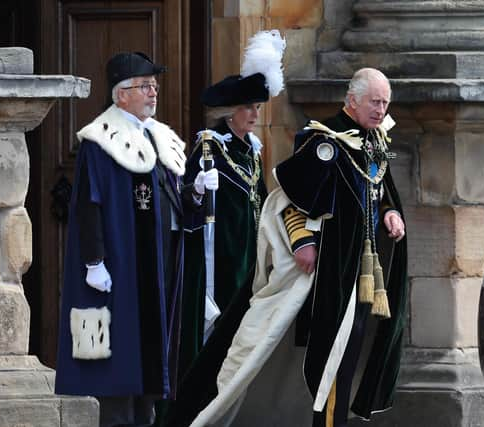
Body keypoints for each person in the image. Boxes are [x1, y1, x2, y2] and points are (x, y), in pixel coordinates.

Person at [190, 67, 408, 427]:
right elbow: (292, 200)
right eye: (374, 101)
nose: (381, 109)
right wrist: (303, 241)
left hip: (362, 270)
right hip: (327, 272)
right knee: (330, 356)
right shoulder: (323, 139)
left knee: (350, 353)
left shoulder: (375, 141)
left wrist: (390, 212)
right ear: (352, 100)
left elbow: (378, 190)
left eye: (385, 102)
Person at [54, 51, 217, 427]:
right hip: (123, 266)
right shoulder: (100, 141)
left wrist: (194, 192)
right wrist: (94, 262)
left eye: (155, 86)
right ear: (120, 94)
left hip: (159, 264)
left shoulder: (157, 137)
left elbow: (171, 202)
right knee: (122, 362)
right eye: (145, 86)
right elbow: (88, 205)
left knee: (151, 361)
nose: (153, 93)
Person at [153, 30, 286, 427]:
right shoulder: (210, 148)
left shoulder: (252, 152)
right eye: (248, 107)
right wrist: (195, 191)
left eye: (258, 107)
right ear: (230, 111)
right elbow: (186, 207)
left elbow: (261, 203)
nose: (254, 115)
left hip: (247, 258)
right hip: (216, 261)